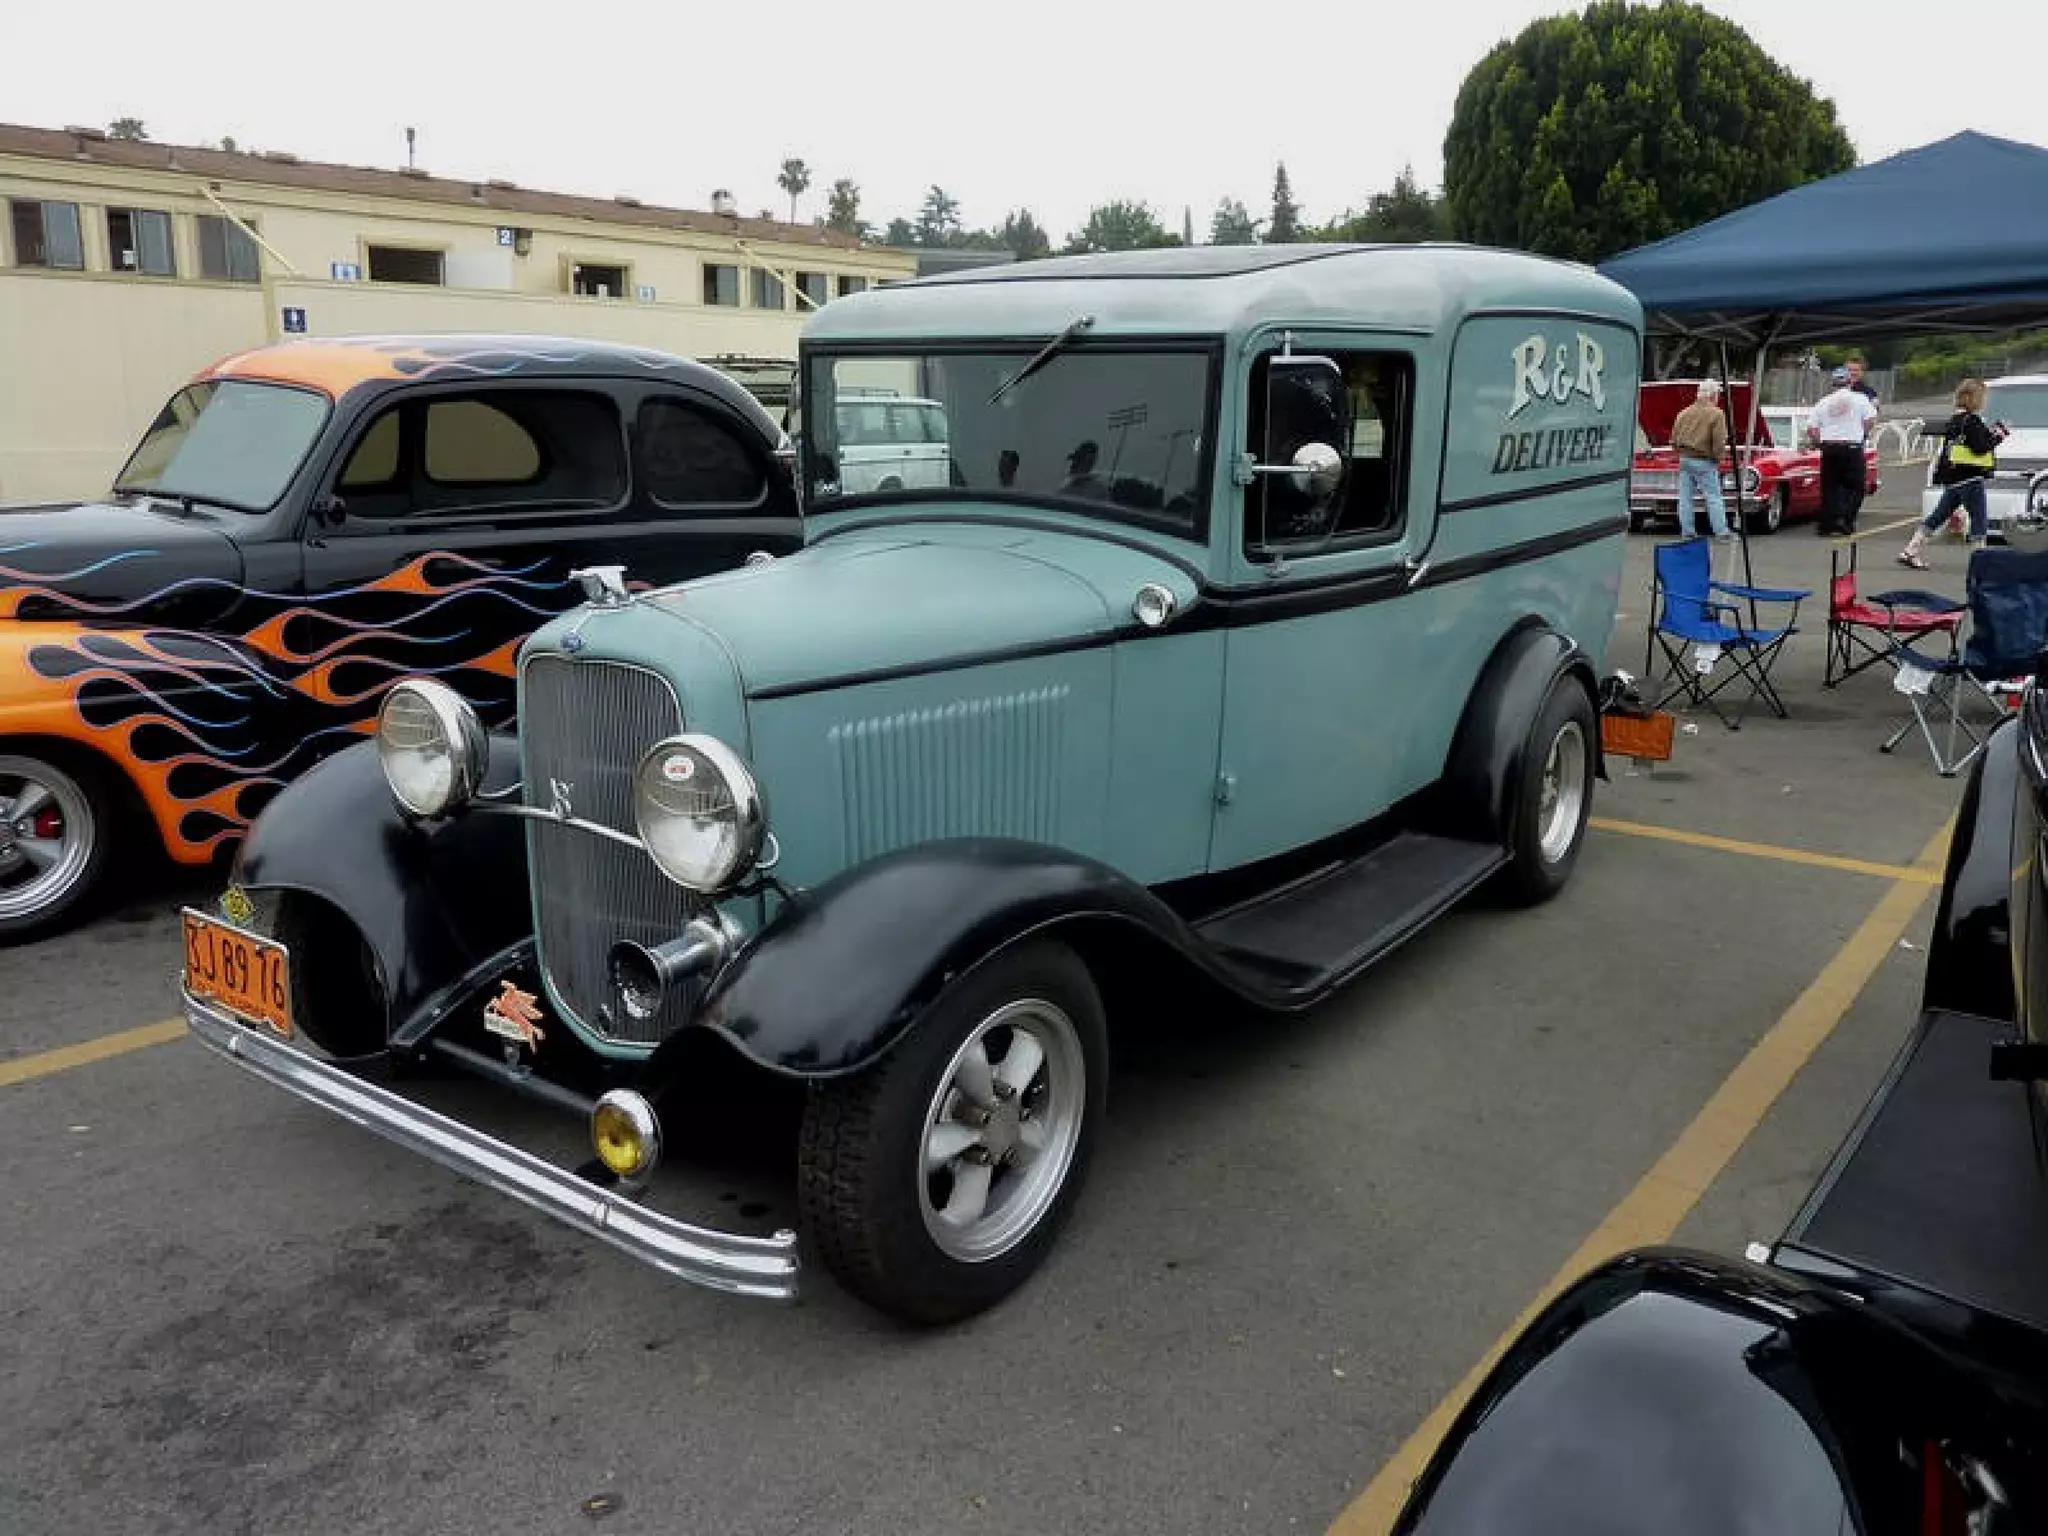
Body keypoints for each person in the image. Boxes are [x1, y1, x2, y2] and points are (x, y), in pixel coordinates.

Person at [1897, 378, 2010, 570]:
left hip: (1953, 477)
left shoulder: (1954, 420)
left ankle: (1911, 549)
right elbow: (1980, 448)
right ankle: (1980, 561)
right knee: (1979, 519)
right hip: (1970, 476)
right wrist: (1998, 435)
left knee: (1939, 515)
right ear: (1976, 399)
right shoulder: (1972, 421)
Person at [1807, 366, 1877, 535]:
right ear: (1849, 382)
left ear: (1833, 383)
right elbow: (1871, 419)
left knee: (1830, 487)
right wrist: (1862, 433)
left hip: (1830, 448)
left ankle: (1828, 523)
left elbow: (1812, 429)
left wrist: (1821, 443)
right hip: (1851, 447)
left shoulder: (1823, 402)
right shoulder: (1860, 399)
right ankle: (1845, 520)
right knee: (1856, 487)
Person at [1669, 379, 1733, 541]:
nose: (1718, 397)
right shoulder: (1717, 414)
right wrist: (1718, 458)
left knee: (1685, 498)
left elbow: (1673, 440)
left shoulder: (1683, 413)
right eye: (1717, 394)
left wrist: (1681, 451)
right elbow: (1719, 441)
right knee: (1713, 497)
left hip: (1685, 459)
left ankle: (1688, 532)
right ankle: (1721, 532)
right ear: (1712, 395)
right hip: (1704, 460)